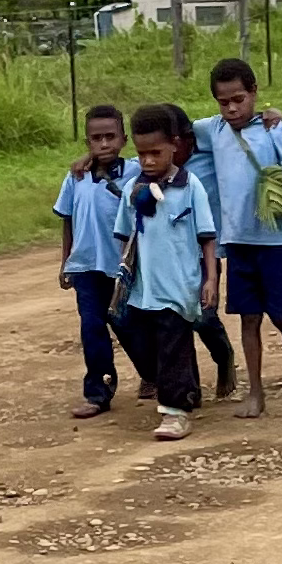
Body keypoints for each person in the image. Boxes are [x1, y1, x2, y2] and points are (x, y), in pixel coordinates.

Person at [193, 58, 282, 418]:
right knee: (248, 317)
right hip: (238, 241)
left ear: (255, 92)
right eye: (223, 101)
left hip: (276, 241)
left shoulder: (278, 131)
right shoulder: (212, 130)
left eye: (239, 99)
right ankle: (256, 392)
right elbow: (171, 129)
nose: (231, 108)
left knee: (281, 314)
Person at [110, 104, 219, 442]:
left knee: (174, 343)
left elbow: (207, 238)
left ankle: (176, 412)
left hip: (180, 285)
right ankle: (187, 391)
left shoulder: (190, 187)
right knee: (149, 341)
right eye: (141, 154)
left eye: (156, 152)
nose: (148, 161)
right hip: (144, 288)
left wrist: (211, 279)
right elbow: (124, 236)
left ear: (174, 145)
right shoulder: (132, 190)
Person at [53, 104, 136, 419]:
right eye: (96, 138)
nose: (104, 144)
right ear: (87, 142)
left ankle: (152, 374)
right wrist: (65, 262)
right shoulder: (76, 177)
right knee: (91, 328)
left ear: (123, 139)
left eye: (110, 137)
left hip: (123, 267)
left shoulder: (136, 172)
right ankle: (98, 392)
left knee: (128, 325)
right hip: (86, 266)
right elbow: (68, 220)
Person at [165, 103, 239, 400]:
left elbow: (232, 122)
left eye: (174, 144)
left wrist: (274, 117)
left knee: (203, 317)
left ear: (188, 138)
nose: (168, 151)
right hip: (168, 253)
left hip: (205, 250)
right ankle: (188, 389)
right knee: (175, 321)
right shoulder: (155, 166)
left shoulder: (208, 148)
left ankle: (224, 357)